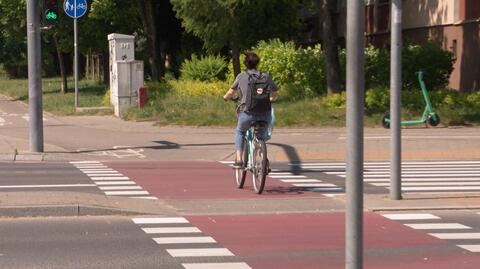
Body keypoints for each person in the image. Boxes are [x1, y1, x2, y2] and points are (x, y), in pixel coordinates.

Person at [223, 51, 278, 168]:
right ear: (257, 64)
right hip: (265, 114)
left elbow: (230, 93)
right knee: (261, 135)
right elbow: (274, 94)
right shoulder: (266, 77)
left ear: (245, 64)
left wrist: (226, 98)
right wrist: (271, 99)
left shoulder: (241, 76)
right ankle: (263, 159)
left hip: (247, 113)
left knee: (240, 131)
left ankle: (239, 159)